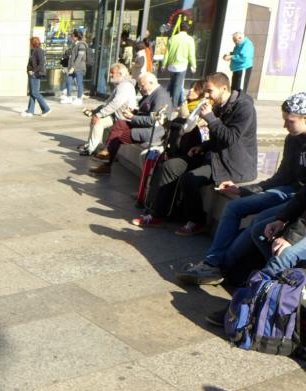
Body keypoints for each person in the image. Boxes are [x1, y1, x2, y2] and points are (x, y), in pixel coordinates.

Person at [175, 92, 306, 285]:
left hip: (298, 198)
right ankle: (213, 263)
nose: (285, 125)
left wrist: (290, 232)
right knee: (234, 206)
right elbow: (282, 176)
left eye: (290, 121)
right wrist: (243, 190)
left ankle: (220, 268)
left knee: (259, 224)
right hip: (291, 191)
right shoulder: (293, 139)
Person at [132, 72, 258, 235]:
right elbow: (217, 137)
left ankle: (197, 221)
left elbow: (230, 138)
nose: (206, 96)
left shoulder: (244, 107)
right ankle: (158, 215)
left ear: (223, 88)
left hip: (232, 163)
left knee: (190, 179)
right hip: (214, 155)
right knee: (169, 166)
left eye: (210, 91)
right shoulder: (219, 105)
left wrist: (210, 118)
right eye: (205, 91)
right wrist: (203, 146)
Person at [90, 72, 172, 174]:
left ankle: (107, 159)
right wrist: (135, 112)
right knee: (120, 124)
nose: (140, 89)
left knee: (118, 137)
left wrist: (133, 117)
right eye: (139, 86)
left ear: (151, 82)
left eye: (142, 85)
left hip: (152, 132)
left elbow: (153, 120)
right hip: (143, 126)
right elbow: (147, 113)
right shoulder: (151, 92)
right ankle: (107, 155)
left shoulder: (160, 96)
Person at [79, 62, 137, 157]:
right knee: (96, 120)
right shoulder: (120, 85)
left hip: (123, 119)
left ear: (120, 74)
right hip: (116, 116)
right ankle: (90, 145)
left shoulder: (125, 86)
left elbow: (115, 104)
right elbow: (108, 102)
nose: (110, 75)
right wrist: (96, 111)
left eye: (112, 72)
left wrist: (99, 114)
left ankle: (92, 149)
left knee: (97, 121)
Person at [162, 21, 196, 107]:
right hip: (182, 66)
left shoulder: (172, 38)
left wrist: (163, 64)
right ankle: (173, 106)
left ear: (179, 28)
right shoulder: (190, 39)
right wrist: (193, 65)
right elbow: (191, 54)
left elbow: (166, 53)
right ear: (187, 29)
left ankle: (165, 101)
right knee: (177, 86)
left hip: (171, 66)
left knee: (172, 84)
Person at [22, 36, 51, 118]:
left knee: (35, 93)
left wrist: (33, 71)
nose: (29, 44)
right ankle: (30, 111)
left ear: (33, 43)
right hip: (33, 74)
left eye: (30, 43)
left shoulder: (39, 51)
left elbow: (41, 63)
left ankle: (46, 109)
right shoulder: (34, 51)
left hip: (36, 74)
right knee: (32, 93)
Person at [60, 29, 87, 105]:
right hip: (71, 68)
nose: (71, 37)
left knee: (79, 83)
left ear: (76, 37)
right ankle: (69, 97)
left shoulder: (81, 45)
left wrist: (73, 67)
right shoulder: (74, 44)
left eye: (72, 36)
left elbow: (79, 58)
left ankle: (79, 99)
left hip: (79, 68)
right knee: (68, 81)